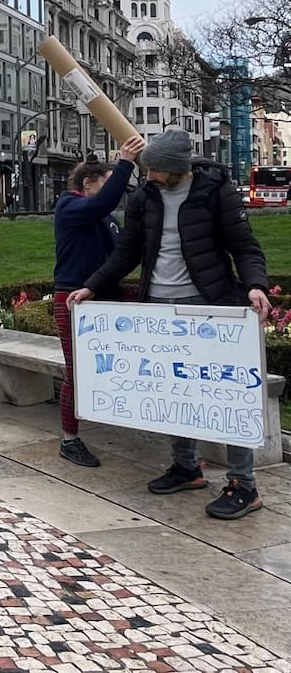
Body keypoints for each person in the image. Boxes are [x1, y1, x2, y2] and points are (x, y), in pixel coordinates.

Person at [68, 129, 272, 520]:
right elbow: (128, 251)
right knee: (176, 394)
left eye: (156, 171)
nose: (149, 177)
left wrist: (256, 287)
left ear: (177, 169)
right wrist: (92, 287)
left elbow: (244, 246)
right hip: (158, 307)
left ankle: (244, 484)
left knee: (225, 395)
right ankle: (186, 466)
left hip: (208, 305)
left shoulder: (216, 193)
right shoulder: (146, 197)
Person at [51, 135, 145, 468]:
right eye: (106, 185)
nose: (113, 194)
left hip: (103, 295)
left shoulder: (103, 216)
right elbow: (102, 203)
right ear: (88, 183)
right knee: (77, 373)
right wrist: (125, 162)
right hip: (74, 298)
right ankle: (69, 438)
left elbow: (122, 255)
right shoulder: (70, 205)